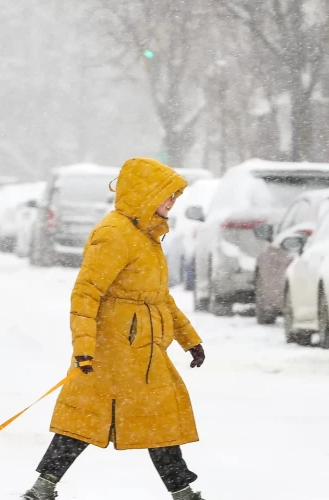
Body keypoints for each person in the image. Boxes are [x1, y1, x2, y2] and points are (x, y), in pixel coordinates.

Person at [23, 158, 207, 500]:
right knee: (84, 419)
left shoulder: (147, 235)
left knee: (160, 420)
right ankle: (42, 488)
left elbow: (159, 297)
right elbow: (85, 293)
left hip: (147, 352)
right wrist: (84, 348)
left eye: (175, 198)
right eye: (168, 196)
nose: (172, 204)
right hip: (112, 352)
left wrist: (189, 339)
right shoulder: (114, 234)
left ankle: (183, 492)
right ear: (146, 195)